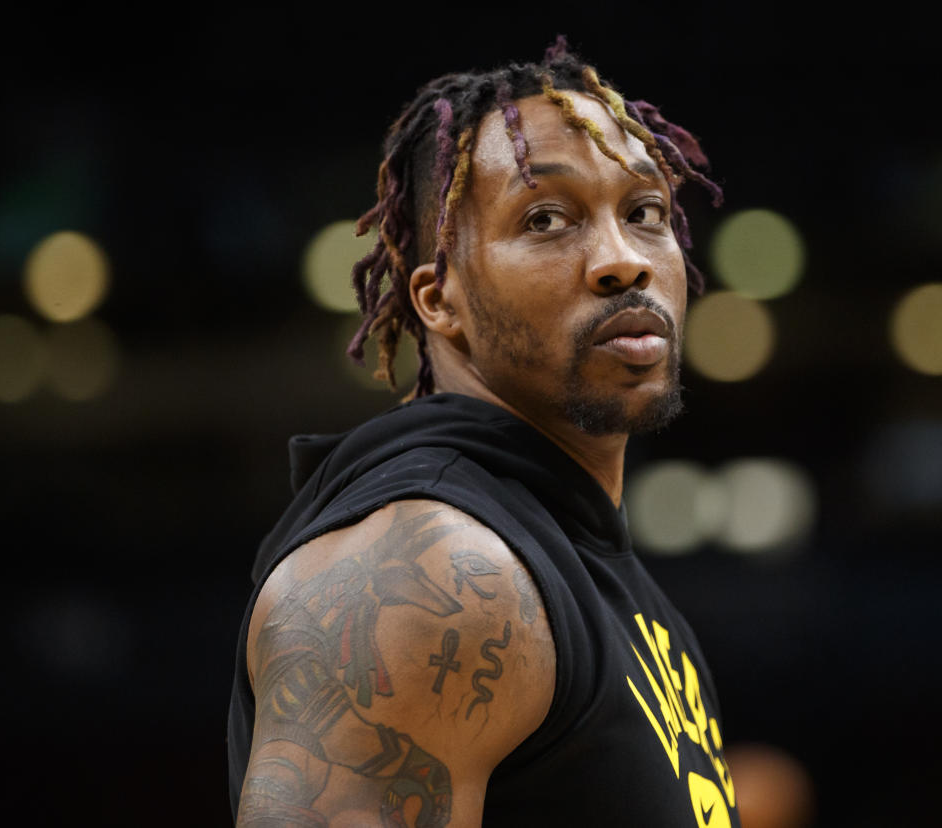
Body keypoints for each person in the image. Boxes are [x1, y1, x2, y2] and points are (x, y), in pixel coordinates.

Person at [227, 36, 737, 827]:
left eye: (645, 213)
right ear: (440, 299)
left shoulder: (585, 562)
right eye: (546, 218)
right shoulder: (442, 576)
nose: (621, 260)